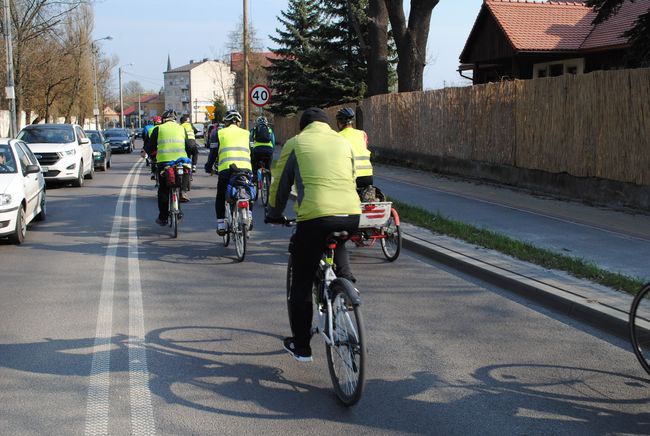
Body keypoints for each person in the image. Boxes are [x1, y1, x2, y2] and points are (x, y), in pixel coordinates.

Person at [265, 107, 361, 362]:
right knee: (336, 238)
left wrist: (273, 213)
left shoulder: (296, 143)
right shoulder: (343, 142)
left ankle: (302, 347)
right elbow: (351, 177)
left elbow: (280, 185)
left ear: (303, 126)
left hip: (315, 218)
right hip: (351, 215)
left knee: (302, 281)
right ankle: (347, 283)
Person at [204, 109, 252, 235]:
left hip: (226, 170)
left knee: (221, 195)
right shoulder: (247, 133)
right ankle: (249, 216)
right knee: (248, 192)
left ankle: (221, 224)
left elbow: (213, 153)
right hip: (246, 169)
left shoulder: (219, 133)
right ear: (239, 122)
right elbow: (253, 151)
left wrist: (208, 167)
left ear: (226, 122)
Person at [144, 109, 192, 225]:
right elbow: (188, 146)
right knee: (180, 181)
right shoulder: (182, 128)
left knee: (163, 189)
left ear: (163, 119)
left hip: (164, 163)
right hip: (181, 161)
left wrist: (151, 156)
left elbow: (150, 147)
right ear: (175, 120)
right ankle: (182, 192)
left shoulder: (158, 129)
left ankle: (163, 217)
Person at [336, 107, 373, 190]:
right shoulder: (363, 134)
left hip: (350, 177)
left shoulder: (338, 136)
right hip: (367, 176)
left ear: (339, 122)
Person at [249, 115, 275, 182]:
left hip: (257, 150)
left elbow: (250, 141)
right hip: (268, 150)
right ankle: (268, 185)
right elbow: (273, 141)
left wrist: (251, 150)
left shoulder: (254, 129)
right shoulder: (269, 130)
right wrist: (272, 150)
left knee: (254, 164)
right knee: (268, 168)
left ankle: (255, 176)